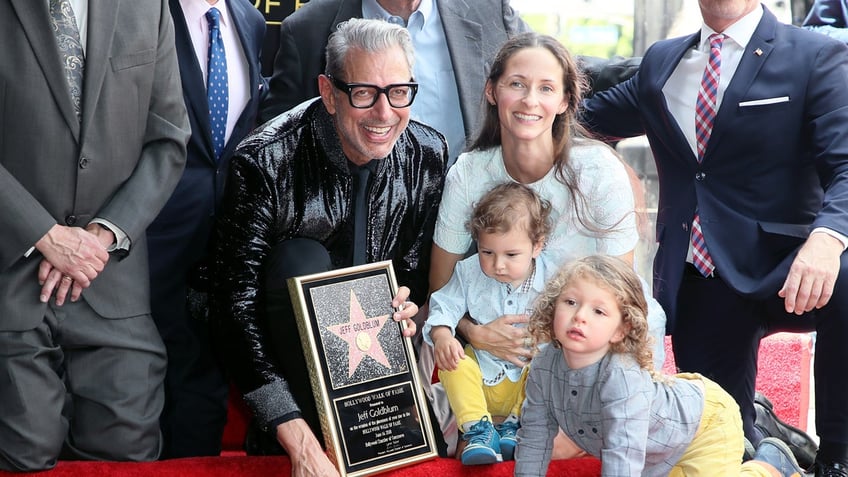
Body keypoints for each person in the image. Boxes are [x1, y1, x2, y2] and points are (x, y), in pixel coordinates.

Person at [582, 1, 848, 475]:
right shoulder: (661, 63)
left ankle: (837, 461)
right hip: (702, 279)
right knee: (722, 443)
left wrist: (827, 240)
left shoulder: (815, 56)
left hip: (791, 265)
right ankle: (768, 440)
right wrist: (526, 99)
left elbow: (846, 165)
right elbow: (584, 116)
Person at [210, 18, 446, 477]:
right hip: (282, 369)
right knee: (303, 259)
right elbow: (231, 307)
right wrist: (296, 437)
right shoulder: (265, 160)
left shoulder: (427, 153)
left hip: (380, 382)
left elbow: (418, 278)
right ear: (329, 91)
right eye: (364, 92)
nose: (384, 113)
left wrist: (409, 307)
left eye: (399, 92)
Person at [0, 0, 190, 471]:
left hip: (112, 282)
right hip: (11, 279)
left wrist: (100, 236)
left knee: (128, 452)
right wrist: (44, 233)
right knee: (26, 450)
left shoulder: (149, 9)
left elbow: (167, 139)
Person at [515, 255, 806, 477]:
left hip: (705, 426)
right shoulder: (544, 365)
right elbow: (535, 435)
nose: (580, 316)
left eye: (599, 311)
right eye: (570, 302)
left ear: (621, 329)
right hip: (657, 452)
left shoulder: (621, 376)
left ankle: (769, 464)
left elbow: (622, 456)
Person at [145, 0, 265, 458]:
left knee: (205, 386)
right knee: (141, 386)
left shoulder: (251, 21)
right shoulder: (145, 12)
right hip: (147, 235)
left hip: (222, 240)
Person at [258, 0, 529, 165]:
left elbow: (544, 78)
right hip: (356, 232)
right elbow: (278, 140)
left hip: (469, 223)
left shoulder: (490, 9)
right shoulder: (308, 29)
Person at [423, 182, 554, 465]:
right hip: (480, 381)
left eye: (511, 255)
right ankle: (477, 430)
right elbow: (443, 305)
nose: (498, 265)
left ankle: (517, 426)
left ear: (537, 246)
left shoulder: (554, 281)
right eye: (487, 252)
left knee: (549, 363)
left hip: (525, 387)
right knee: (453, 361)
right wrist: (443, 336)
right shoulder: (469, 272)